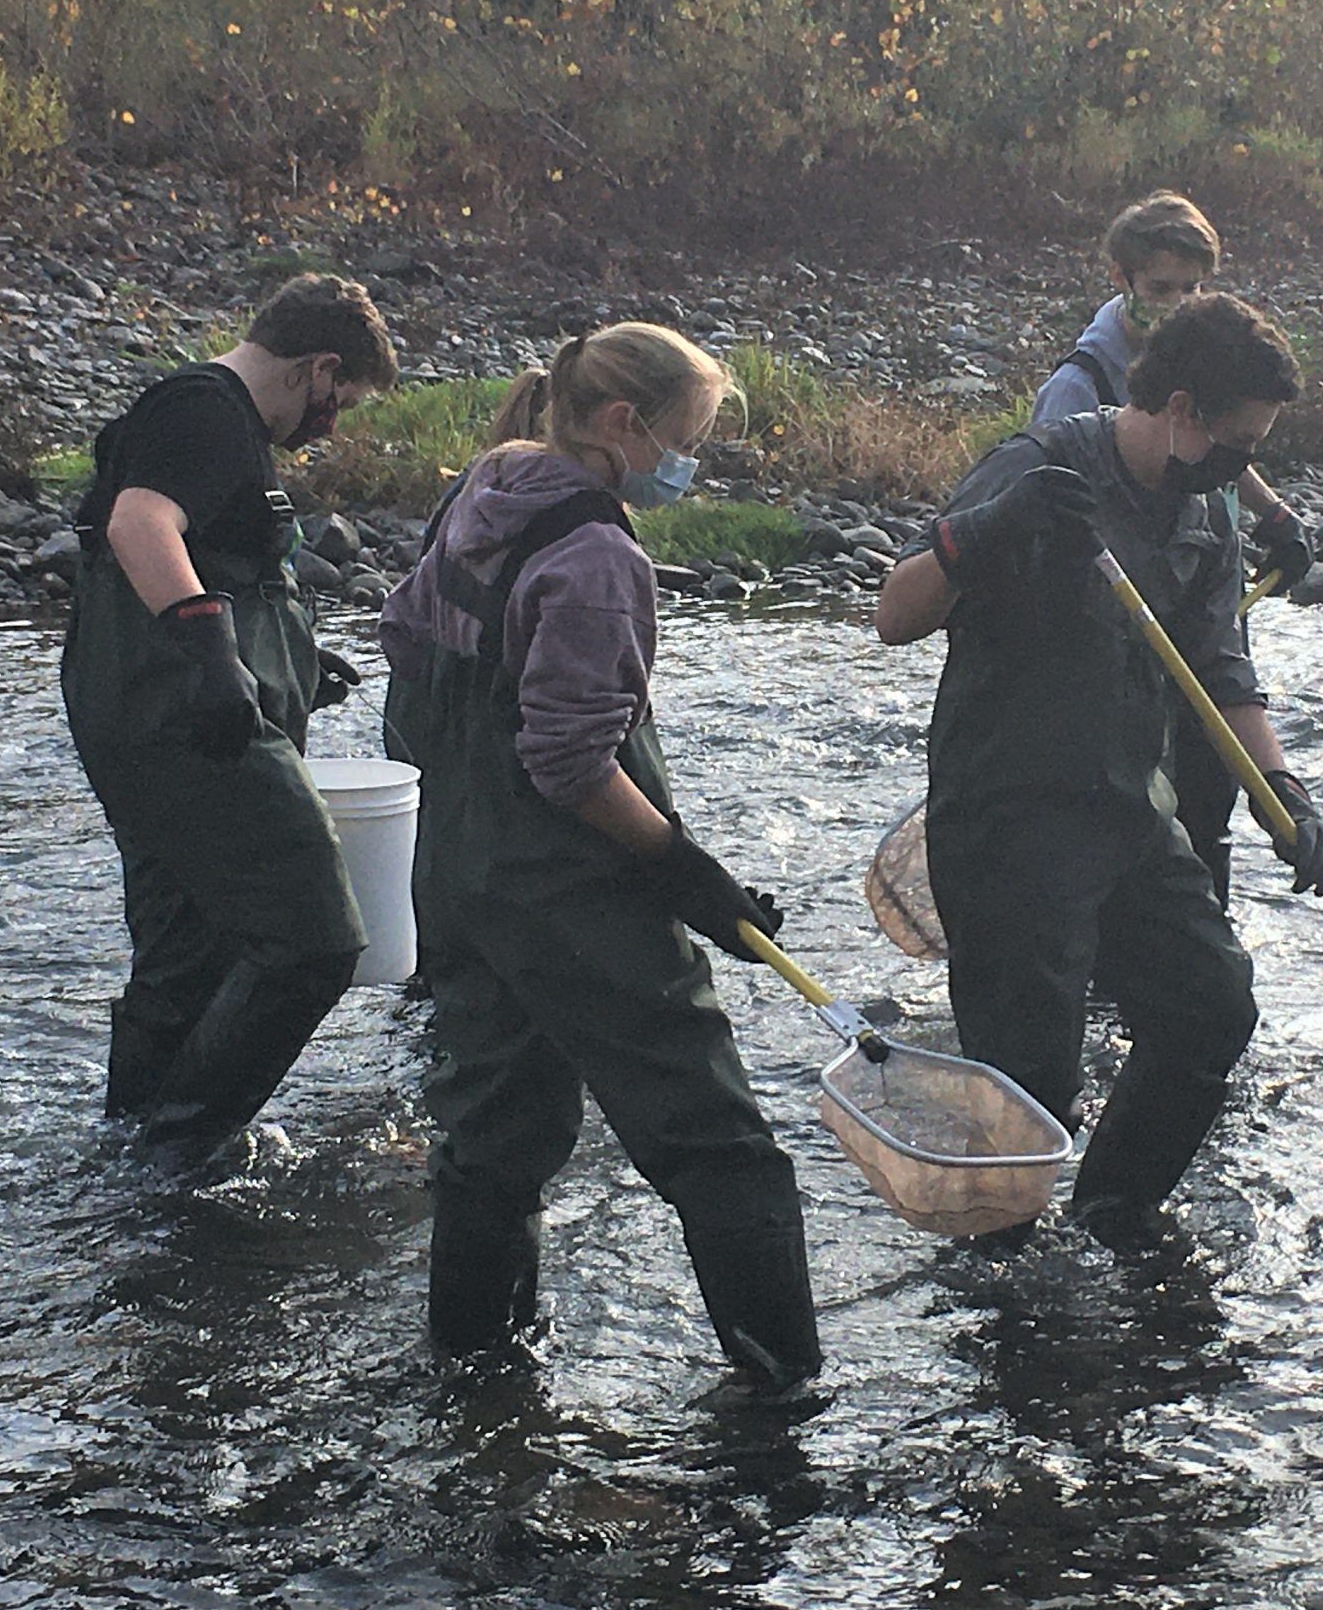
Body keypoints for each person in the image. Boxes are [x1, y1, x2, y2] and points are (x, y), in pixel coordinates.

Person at [377, 324, 819, 1385]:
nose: (693, 464)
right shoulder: (597, 556)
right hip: (570, 890)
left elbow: (403, 640)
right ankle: (782, 1410)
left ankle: (474, 1378)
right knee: (721, 1150)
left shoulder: (486, 486)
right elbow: (572, 761)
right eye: (688, 438)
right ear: (623, 426)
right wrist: (687, 872)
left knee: (490, 1136)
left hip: (458, 877)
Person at [877, 294, 1323, 1231]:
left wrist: (1285, 794)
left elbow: (1220, 666)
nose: (1245, 471)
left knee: (1212, 1006)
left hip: (1131, 813)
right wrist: (985, 530)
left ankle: (1111, 1218)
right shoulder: (1041, 467)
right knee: (1029, 1086)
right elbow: (895, 614)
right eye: (1239, 445)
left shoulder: (1206, 512)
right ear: (1181, 410)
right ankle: (1000, 1282)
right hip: (1009, 819)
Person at [62, 275, 396, 1153]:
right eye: (341, 403)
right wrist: (214, 656)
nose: (331, 425)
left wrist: (286, 660)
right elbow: (141, 527)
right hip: (191, 728)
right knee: (316, 940)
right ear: (319, 368)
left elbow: (207, 562)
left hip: (145, 723)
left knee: (184, 954)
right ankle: (190, 1141)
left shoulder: (197, 415)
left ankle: (129, 1155)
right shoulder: (207, 413)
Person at [1028, 190, 1318, 901]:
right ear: (1123, 281)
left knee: (1205, 796)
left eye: (1194, 287)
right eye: (1162, 288)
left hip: (1199, 596)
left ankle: (1200, 920)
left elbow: (1221, 440)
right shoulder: (1081, 388)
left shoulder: (1213, 365)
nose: (1179, 302)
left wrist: (1273, 517)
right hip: (1115, 649)